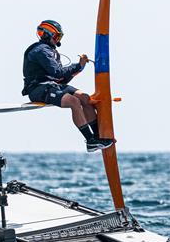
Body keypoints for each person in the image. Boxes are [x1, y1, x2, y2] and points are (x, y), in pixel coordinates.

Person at [21, 20, 114, 152]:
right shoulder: (40, 50)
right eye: (56, 37)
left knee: (85, 98)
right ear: (47, 35)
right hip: (37, 89)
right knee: (73, 101)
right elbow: (57, 72)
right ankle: (90, 141)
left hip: (53, 86)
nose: (58, 40)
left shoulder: (50, 51)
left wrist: (79, 68)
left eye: (60, 37)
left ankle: (98, 137)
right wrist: (78, 65)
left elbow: (62, 78)